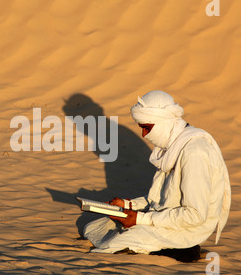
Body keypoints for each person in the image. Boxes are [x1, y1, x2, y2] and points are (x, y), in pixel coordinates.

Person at [83, 90, 231, 260]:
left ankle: (183, 250)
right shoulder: (171, 145)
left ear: (163, 122)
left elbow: (195, 215)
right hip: (164, 217)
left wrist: (140, 219)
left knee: (115, 242)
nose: (144, 135)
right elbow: (160, 198)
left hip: (187, 228)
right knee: (95, 228)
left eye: (147, 128)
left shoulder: (194, 152)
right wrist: (128, 205)